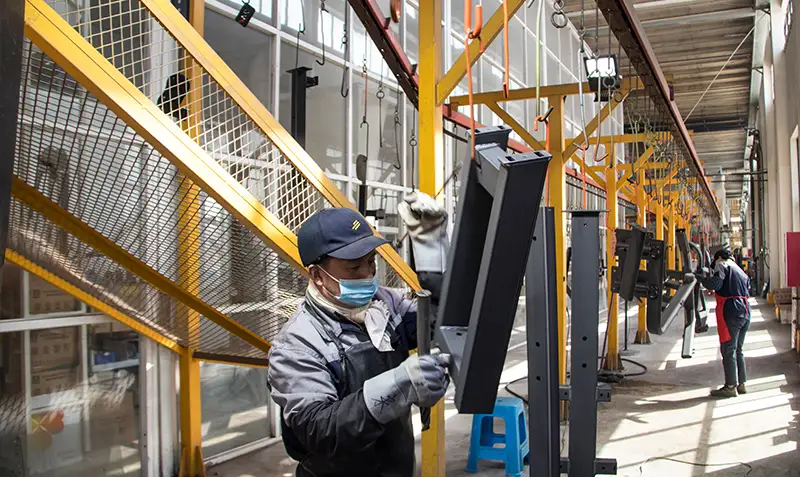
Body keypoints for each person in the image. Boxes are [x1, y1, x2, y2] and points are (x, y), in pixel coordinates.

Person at [267, 207, 451, 477]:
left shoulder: (385, 305)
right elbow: (320, 430)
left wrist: (434, 256)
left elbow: (437, 323)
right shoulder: (297, 345)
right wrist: (397, 387)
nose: (368, 275)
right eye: (354, 267)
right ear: (317, 276)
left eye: (371, 262)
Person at [699, 245, 751, 398]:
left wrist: (701, 279)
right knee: (738, 349)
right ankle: (741, 384)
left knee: (728, 349)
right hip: (745, 310)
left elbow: (716, 284)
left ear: (719, 258)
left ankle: (730, 387)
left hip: (732, 309)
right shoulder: (739, 270)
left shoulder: (722, 265)